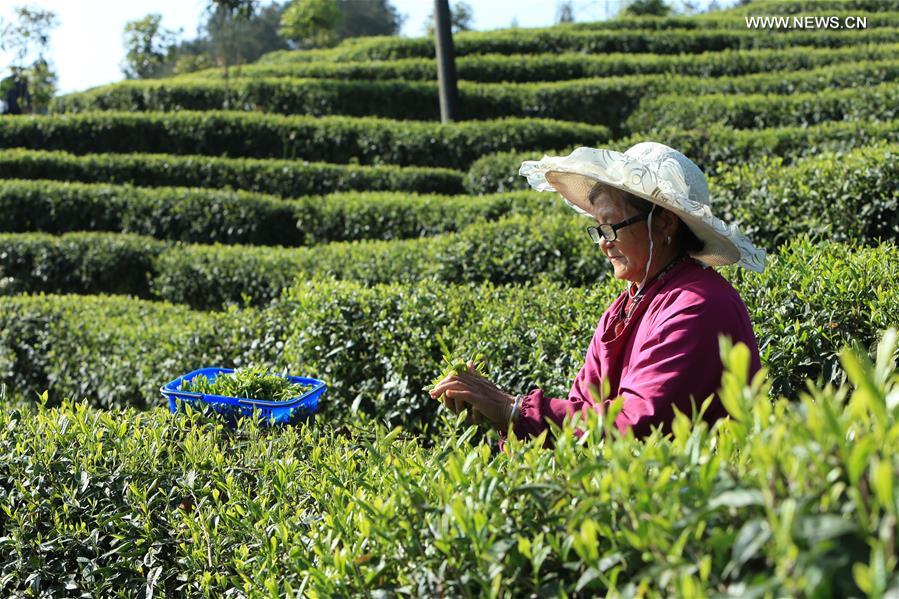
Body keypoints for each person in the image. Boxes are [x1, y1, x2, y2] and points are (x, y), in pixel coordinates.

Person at [429, 142, 766, 443]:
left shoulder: (697, 305)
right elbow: (584, 407)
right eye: (599, 229)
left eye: (612, 226)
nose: (604, 243)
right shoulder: (628, 305)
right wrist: (500, 416)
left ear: (664, 223)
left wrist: (515, 410)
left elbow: (637, 424)